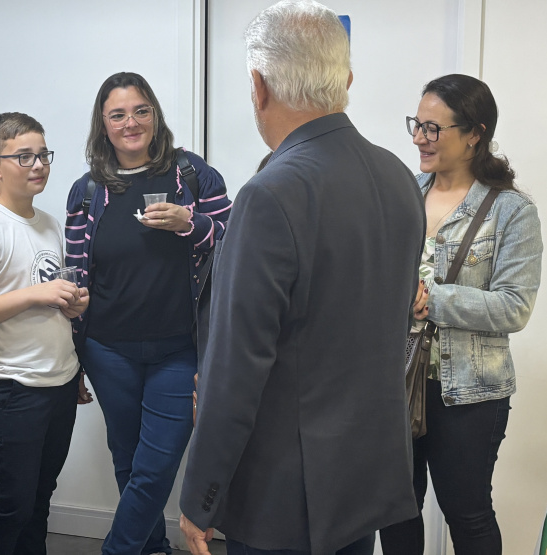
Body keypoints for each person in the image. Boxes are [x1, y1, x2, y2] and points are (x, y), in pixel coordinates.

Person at [178, 2, 425, 554]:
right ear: (347, 81)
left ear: (258, 86)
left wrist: (201, 495)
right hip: (364, 475)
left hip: (285, 491)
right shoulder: (399, 179)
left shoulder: (270, 195)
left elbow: (237, 366)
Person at [64, 71, 232, 555]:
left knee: (157, 464)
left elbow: (236, 246)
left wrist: (190, 222)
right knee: (128, 458)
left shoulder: (193, 175)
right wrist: (76, 356)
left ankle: (117, 549)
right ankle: (151, 548)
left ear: (155, 115)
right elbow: (76, 277)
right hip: (107, 350)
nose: (131, 122)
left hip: (178, 349)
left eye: (141, 110)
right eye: (118, 114)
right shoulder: (87, 190)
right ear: (103, 123)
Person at [378, 74, 543, 554]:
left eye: (433, 129)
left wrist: (433, 297)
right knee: (396, 510)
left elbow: (515, 306)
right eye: (417, 124)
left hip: (469, 393)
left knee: (467, 514)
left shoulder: (512, 211)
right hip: (394, 379)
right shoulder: (403, 192)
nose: (418, 138)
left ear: (474, 133)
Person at [0, 112, 91, 555]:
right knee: (12, 505)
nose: (38, 165)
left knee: (39, 499)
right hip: (14, 387)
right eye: (24, 157)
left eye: (43, 155)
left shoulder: (49, 223)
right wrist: (35, 295)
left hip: (60, 380)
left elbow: (51, 297)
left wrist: (71, 303)